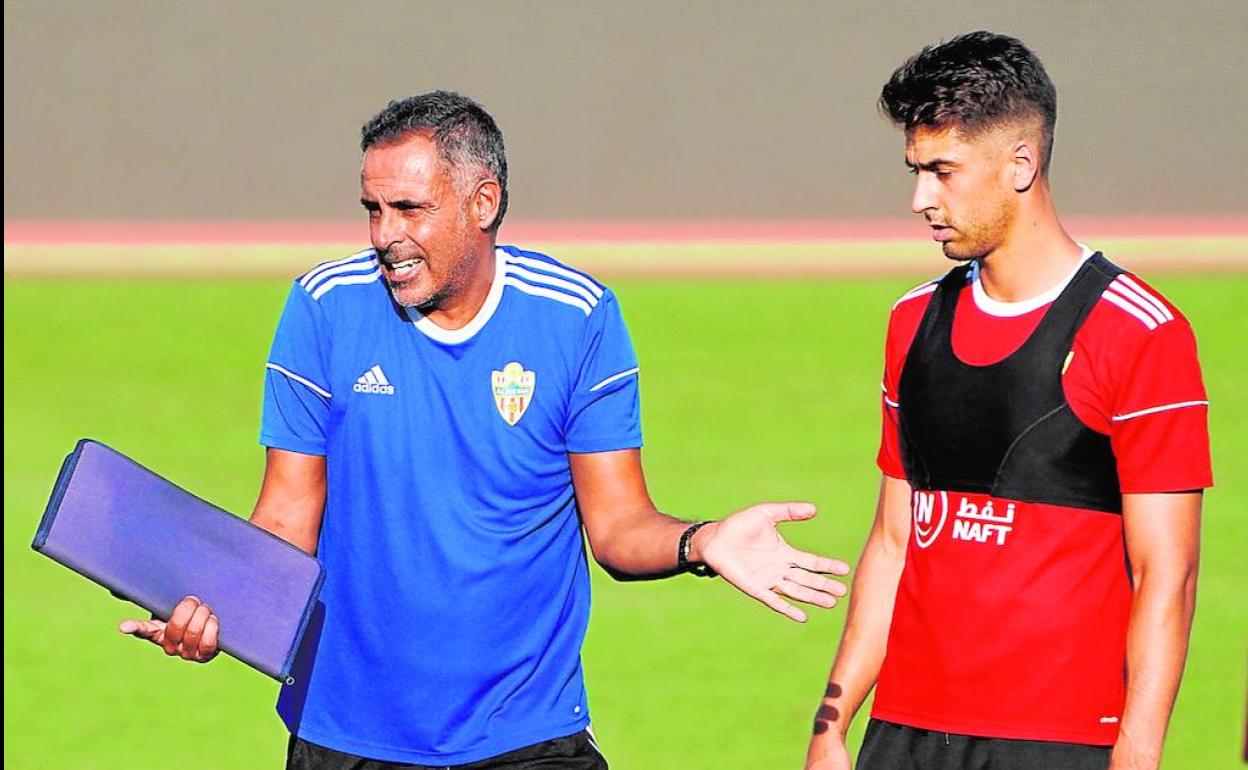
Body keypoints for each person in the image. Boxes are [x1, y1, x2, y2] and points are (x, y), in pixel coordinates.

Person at [117, 90, 850, 769]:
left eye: (410, 208)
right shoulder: (322, 307)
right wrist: (220, 606)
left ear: (484, 202)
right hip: (343, 735)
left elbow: (621, 529)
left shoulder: (577, 316)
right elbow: (285, 515)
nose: (385, 235)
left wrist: (703, 541)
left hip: (524, 738)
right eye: (372, 209)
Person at [803, 32, 1210, 770]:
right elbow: (894, 540)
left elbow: (1167, 573)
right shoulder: (911, 322)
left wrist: (1138, 752)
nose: (920, 198)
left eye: (942, 172)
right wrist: (832, 723)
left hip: (1057, 741)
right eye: (916, 170)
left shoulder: (1142, 333)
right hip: (904, 734)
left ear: (1020, 163)